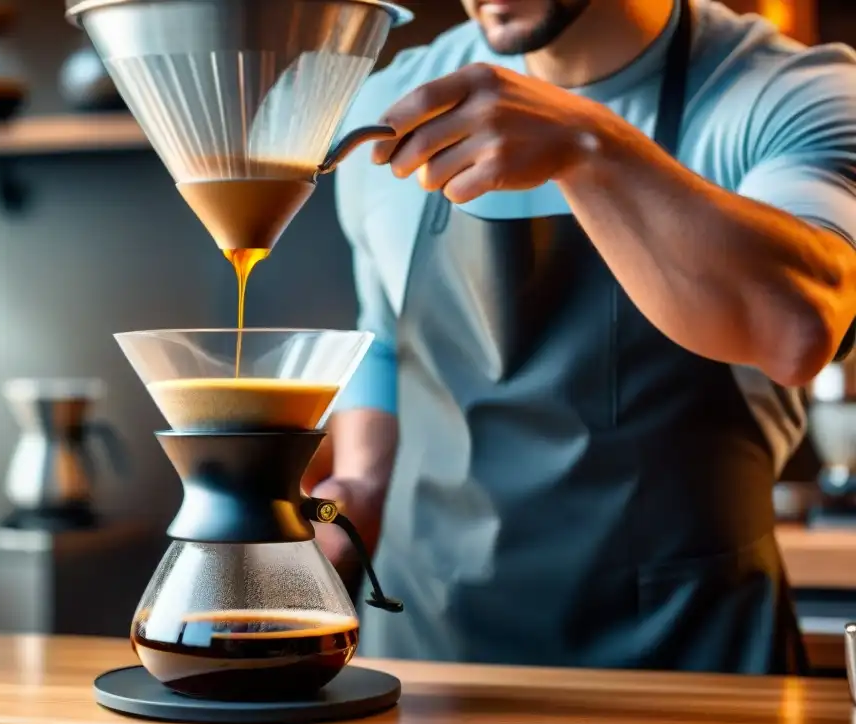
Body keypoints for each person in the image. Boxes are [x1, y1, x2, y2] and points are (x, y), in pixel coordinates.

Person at [302, 0, 856, 674]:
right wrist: (358, 486)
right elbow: (386, 339)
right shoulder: (392, 101)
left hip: (692, 667)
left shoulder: (785, 92)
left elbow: (800, 328)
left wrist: (590, 146)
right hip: (431, 665)